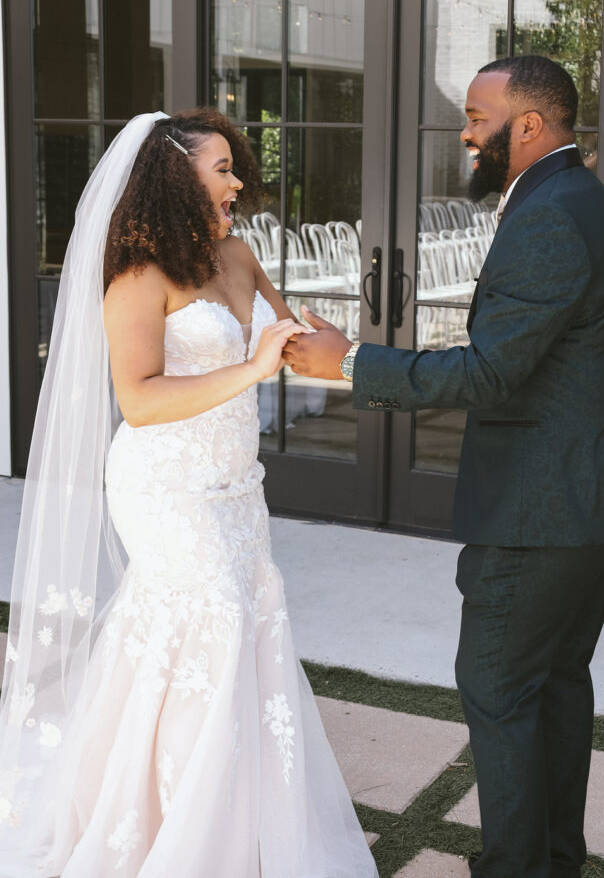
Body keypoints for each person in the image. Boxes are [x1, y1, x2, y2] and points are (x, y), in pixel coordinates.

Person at [283, 56, 604, 878]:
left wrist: (348, 361)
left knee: (499, 688)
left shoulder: (549, 214)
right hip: (583, 490)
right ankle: (548, 861)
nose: (463, 132)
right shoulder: (571, 197)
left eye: (475, 115)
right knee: (553, 685)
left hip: (548, 503)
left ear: (527, 125)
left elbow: (490, 372)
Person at [0, 109, 379, 877]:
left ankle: (235, 809)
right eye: (221, 167)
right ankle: (166, 828)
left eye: (234, 166)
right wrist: (249, 370)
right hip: (164, 487)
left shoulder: (237, 254)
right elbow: (138, 399)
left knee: (242, 628)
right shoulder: (138, 274)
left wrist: (345, 355)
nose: (237, 179)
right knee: (209, 623)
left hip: (236, 487)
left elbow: (289, 343)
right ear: (175, 179)